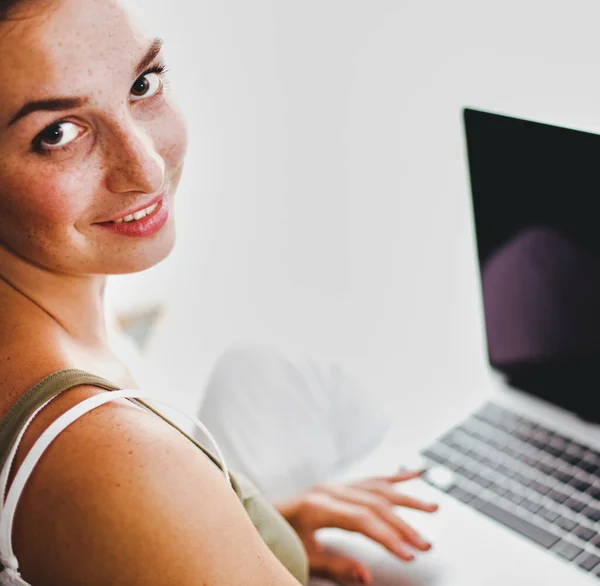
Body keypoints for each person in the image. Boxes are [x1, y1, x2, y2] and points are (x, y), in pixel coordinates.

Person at [0, 0, 438, 584]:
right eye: (57, 133)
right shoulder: (110, 455)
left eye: (143, 82)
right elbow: (106, 482)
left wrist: (219, 534)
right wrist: (167, 512)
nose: (147, 168)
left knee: (260, 368)